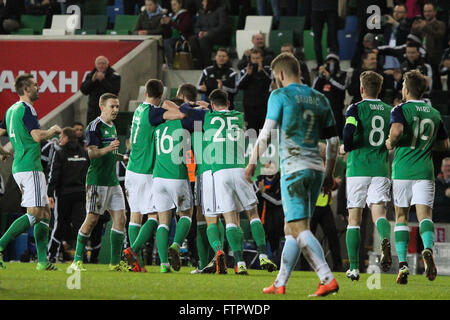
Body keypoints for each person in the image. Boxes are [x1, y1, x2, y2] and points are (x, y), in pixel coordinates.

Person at [245, 53, 340, 296]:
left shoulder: (280, 95)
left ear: (279, 74)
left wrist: (252, 163)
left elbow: (266, 134)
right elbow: (332, 141)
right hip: (316, 171)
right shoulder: (320, 98)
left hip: (294, 169)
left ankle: (326, 277)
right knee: (293, 229)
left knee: (298, 228)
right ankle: (280, 282)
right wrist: (329, 173)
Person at [180, 89, 277, 275]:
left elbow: (184, 109)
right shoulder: (238, 116)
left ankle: (239, 261)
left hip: (218, 172)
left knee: (229, 217)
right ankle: (263, 254)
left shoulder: (206, 116)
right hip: (240, 169)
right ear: (229, 104)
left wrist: (197, 105)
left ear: (212, 105)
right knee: (252, 214)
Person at [385, 70, 449, 285]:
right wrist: (428, 143)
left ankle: (403, 265)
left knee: (401, 217)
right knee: (425, 217)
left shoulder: (400, 109)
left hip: (403, 170)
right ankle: (428, 249)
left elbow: (395, 131)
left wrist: (391, 143)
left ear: (406, 88)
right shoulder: (434, 113)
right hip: (425, 171)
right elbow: (445, 145)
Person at [122, 79, 185, 272]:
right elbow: (181, 114)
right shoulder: (154, 112)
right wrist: (170, 104)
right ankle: (132, 251)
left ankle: (138, 264)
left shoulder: (139, 110)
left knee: (135, 215)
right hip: (145, 172)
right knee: (154, 216)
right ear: (160, 96)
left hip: (131, 169)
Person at [0, 73, 62, 270]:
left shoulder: (11, 110)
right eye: (35, 85)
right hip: (30, 168)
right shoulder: (28, 109)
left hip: (21, 166)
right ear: (26, 89)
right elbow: (36, 136)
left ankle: (42, 261)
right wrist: (52, 130)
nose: (39, 87)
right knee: (35, 213)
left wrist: (3, 151)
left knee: (44, 212)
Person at [340, 71, 393, 281]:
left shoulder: (355, 108)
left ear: (362, 89)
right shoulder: (390, 111)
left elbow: (348, 131)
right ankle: (385, 240)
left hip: (358, 169)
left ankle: (353, 268)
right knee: (379, 214)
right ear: (379, 89)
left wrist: (347, 146)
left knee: (354, 220)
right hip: (380, 169)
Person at [69, 93, 129, 272]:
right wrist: (109, 148)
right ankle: (77, 260)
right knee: (92, 219)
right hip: (97, 181)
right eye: (113, 106)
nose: (116, 110)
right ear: (102, 107)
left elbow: (109, 153)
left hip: (112, 181)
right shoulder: (94, 126)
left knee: (121, 218)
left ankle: (114, 263)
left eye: (117, 106)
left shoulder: (113, 126)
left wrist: (122, 157)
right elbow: (92, 153)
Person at [47, 127, 89, 263]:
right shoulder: (84, 153)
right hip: (80, 194)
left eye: (61, 137)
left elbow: (54, 175)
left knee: (59, 226)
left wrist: (50, 194)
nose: (60, 140)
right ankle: (81, 258)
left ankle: (52, 255)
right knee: (80, 226)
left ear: (66, 138)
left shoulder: (60, 153)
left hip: (64, 195)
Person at [411, 2, 447, 90]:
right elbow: (413, 38)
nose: (427, 13)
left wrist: (425, 26)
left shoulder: (440, 24)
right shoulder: (421, 24)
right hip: (421, 59)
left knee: (436, 85)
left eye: (429, 11)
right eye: (425, 11)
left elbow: (439, 36)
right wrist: (413, 28)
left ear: (435, 12)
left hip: (435, 60)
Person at [237, 48, 273, 131]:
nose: (256, 60)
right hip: (249, 106)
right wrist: (248, 75)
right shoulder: (245, 71)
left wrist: (261, 71)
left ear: (262, 58)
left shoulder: (268, 70)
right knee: (251, 132)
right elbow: (239, 86)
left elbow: (270, 84)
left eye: (258, 58)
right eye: (253, 58)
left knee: (263, 131)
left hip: (263, 106)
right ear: (250, 59)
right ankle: (252, 144)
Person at [312, 53, 347, 138]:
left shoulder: (342, 74)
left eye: (333, 61)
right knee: (322, 136)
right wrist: (320, 75)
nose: (330, 63)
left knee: (336, 136)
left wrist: (330, 78)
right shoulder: (321, 76)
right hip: (322, 111)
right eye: (329, 61)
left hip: (336, 111)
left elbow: (342, 87)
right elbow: (313, 90)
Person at [80, 56, 121, 125]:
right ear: (96, 65)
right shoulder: (90, 75)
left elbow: (114, 91)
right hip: (93, 111)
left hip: (108, 110)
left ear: (107, 64)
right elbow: (84, 90)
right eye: (99, 63)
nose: (101, 65)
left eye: (103, 63)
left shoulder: (115, 76)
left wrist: (103, 80)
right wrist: (92, 81)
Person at [188, 0, 229, 69]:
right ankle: (199, 62)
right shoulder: (201, 12)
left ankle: (207, 64)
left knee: (204, 39)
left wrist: (208, 32)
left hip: (217, 36)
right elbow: (196, 26)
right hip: (203, 35)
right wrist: (199, 32)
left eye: (204, 1)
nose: (202, 3)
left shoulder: (220, 10)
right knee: (193, 39)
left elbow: (222, 26)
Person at [161, 0, 193, 68]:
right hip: (173, 38)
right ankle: (164, 63)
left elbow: (183, 28)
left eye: (175, 5)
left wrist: (170, 23)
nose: (173, 7)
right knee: (162, 41)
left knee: (167, 42)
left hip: (182, 39)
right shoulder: (171, 15)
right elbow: (167, 34)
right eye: (172, 5)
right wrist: (164, 25)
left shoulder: (185, 15)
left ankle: (170, 65)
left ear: (180, 4)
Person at [311, 0, 339, 69]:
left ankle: (322, 64)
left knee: (319, 38)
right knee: (332, 37)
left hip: (321, 7)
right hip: (326, 7)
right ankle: (325, 64)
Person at [434, 157, 450, 223]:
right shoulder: (435, 182)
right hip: (437, 218)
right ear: (442, 168)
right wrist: (445, 194)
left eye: (449, 166)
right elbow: (434, 201)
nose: (448, 168)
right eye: (446, 166)